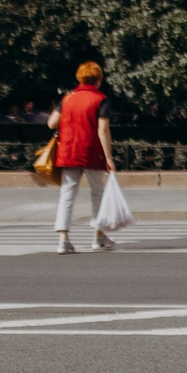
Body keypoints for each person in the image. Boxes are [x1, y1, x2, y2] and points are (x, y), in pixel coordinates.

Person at [48, 63, 119, 254]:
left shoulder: (68, 98)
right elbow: (103, 131)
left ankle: (63, 239)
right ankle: (98, 236)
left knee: (67, 195)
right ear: (98, 79)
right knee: (98, 194)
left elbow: (51, 123)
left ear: (80, 78)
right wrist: (109, 157)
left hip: (69, 151)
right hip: (91, 152)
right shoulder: (101, 99)